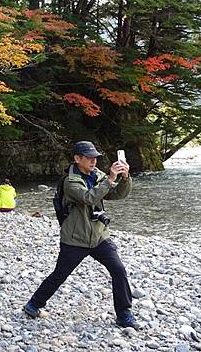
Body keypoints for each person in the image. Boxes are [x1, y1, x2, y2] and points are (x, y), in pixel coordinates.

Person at [23, 141, 139, 329]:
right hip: (75, 239)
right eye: (89, 158)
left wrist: (125, 178)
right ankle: (34, 304)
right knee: (60, 274)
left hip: (99, 237)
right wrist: (110, 178)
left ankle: (124, 314)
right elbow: (88, 198)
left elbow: (117, 194)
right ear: (77, 159)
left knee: (118, 270)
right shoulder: (70, 181)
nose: (93, 161)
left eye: (95, 158)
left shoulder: (98, 175)